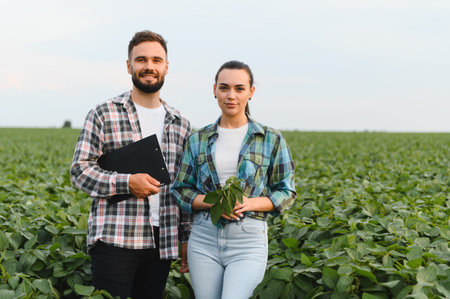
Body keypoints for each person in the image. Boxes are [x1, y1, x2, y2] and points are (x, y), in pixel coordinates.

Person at [70, 30, 191, 299]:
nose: (149, 66)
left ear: (166, 67)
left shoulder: (180, 123)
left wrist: (186, 237)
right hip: (115, 238)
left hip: (162, 240)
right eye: (141, 60)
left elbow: (184, 186)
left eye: (157, 60)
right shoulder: (104, 113)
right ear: (129, 66)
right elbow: (80, 171)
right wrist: (126, 182)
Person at [171, 60, 296, 299]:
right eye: (224, 87)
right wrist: (213, 203)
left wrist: (249, 203)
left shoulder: (271, 139)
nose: (231, 95)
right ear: (214, 89)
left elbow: (286, 191)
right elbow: (180, 189)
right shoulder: (197, 139)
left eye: (239, 88)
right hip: (204, 236)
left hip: (247, 240)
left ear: (251, 91)